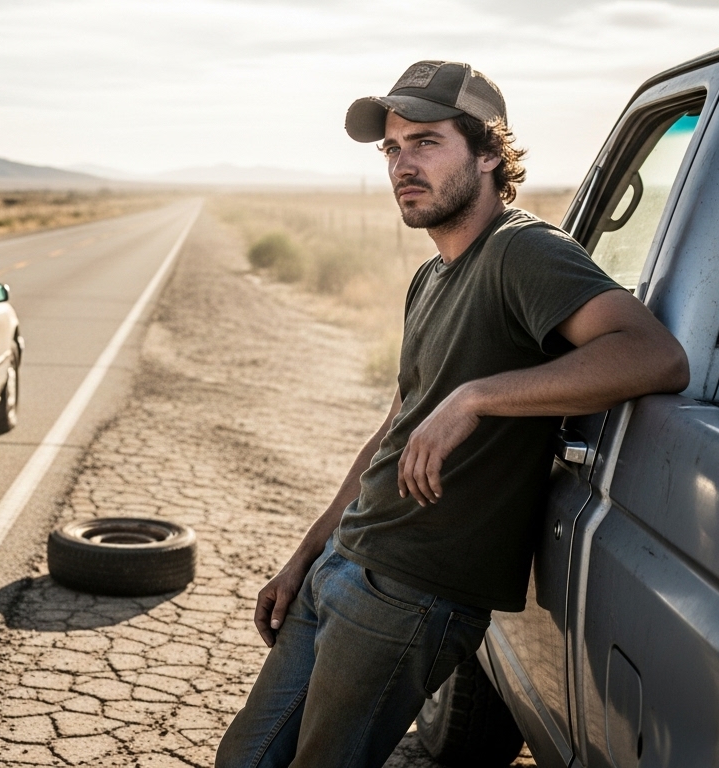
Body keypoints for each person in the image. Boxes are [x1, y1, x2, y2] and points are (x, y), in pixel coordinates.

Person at [215, 61, 690, 768]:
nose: (403, 165)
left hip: (413, 595)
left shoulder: (522, 252)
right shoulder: (431, 273)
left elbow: (653, 355)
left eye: (427, 142)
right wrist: (309, 551)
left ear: (489, 152)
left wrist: (476, 397)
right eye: (393, 149)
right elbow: (399, 422)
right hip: (347, 563)